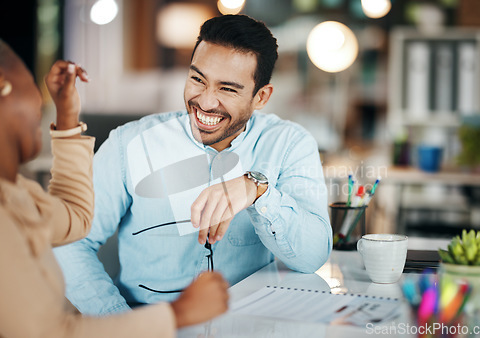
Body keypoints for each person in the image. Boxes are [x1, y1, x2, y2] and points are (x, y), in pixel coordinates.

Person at [55, 14, 332, 316]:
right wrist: (123, 325)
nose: (206, 102)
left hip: (248, 326)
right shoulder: (128, 144)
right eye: (198, 79)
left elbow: (312, 256)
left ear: (260, 97)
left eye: (227, 89)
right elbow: (69, 244)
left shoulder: (290, 144)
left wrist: (258, 191)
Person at [0, 40, 228, 337]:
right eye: (31, 83)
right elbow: (53, 332)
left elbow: (74, 219)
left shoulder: (16, 196)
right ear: (4, 87)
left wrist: (68, 117)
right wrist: (178, 313)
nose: (40, 102)